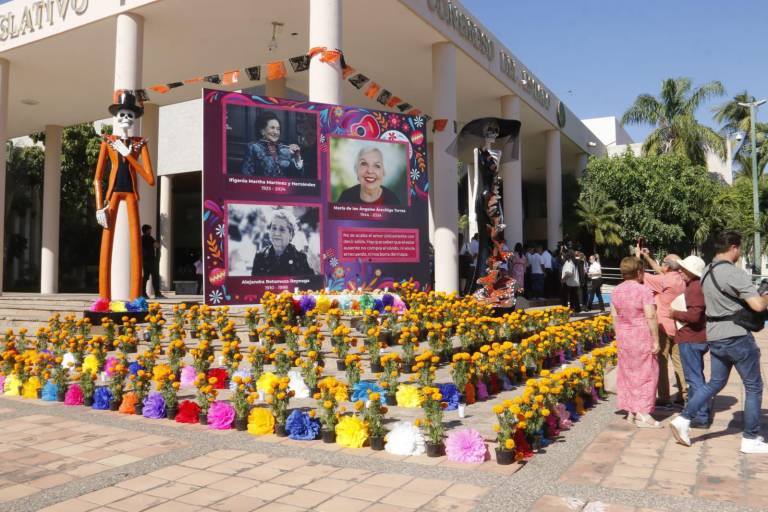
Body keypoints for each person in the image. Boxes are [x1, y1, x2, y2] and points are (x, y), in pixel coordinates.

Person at [671, 232, 768, 453]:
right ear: (733, 247)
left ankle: (684, 419)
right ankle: (750, 438)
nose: (739, 253)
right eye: (739, 249)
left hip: (715, 334)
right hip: (737, 335)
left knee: (715, 382)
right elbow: (758, 306)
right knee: (753, 386)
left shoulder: (706, 272)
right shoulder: (734, 272)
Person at [611, 256, 662, 428]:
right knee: (647, 374)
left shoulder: (616, 290)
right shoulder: (643, 290)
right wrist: (656, 340)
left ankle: (631, 411)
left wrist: (618, 335)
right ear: (639, 272)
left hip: (624, 337)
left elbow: (614, 316)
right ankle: (643, 413)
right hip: (641, 336)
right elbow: (651, 316)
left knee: (628, 373)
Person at [638, 248, 687, 408]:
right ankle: (684, 395)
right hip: (679, 326)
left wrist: (638, 257)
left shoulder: (664, 281)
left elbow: (640, 274)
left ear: (667, 266)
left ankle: (664, 397)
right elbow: (660, 270)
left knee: (662, 362)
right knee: (679, 363)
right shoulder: (682, 278)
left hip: (664, 327)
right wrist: (648, 257)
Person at [670, 255, 710, 429]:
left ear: (692, 272)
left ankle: (700, 416)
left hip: (691, 338)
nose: (680, 271)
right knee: (696, 377)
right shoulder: (698, 285)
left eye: (684, 269)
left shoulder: (694, 287)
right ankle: (697, 412)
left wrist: (674, 313)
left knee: (694, 379)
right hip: (697, 338)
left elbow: (694, 317)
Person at [241, 112, 304, 178]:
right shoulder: (253, 147)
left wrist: (297, 157)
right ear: (262, 131)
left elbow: (298, 177)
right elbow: (246, 175)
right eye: (272, 128)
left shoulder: (285, 149)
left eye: (278, 129)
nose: (276, 132)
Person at [251, 209, 312, 276]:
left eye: (282, 229)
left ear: (291, 234)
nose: (277, 233)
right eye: (274, 228)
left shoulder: (301, 259)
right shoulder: (260, 256)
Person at [141, 224, 164, 299]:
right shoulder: (149, 237)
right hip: (151, 260)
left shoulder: (141, 238)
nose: (150, 231)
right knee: (155, 276)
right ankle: (157, 294)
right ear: (147, 230)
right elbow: (157, 245)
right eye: (150, 230)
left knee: (145, 277)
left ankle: (143, 293)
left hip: (144, 260)